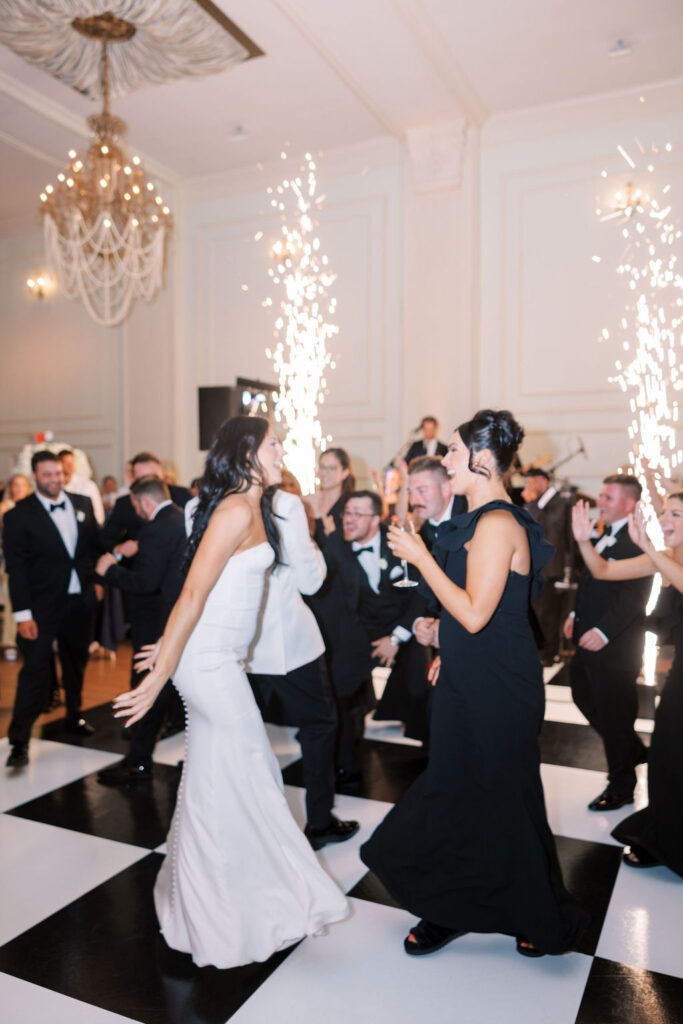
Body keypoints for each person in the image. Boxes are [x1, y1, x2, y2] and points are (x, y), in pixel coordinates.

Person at [112, 417, 348, 968]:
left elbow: (211, 593)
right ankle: (234, 905)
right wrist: (160, 670)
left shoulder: (257, 504)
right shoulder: (236, 509)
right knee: (252, 772)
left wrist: (171, 646)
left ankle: (222, 897)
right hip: (209, 665)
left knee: (224, 774)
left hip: (220, 658)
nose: (282, 450)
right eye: (273, 444)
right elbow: (193, 589)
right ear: (247, 452)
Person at [360, 409, 587, 958]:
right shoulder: (481, 518)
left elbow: (478, 612)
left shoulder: (498, 523)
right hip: (472, 675)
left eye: (455, 451)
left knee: (504, 800)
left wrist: (418, 556)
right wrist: (442, 637)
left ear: (483, 460)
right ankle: (448, 907)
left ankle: (536, 913)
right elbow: (484, 613)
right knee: (462, 793)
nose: (446, 460)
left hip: (498, 686)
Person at [572, 497, 683, 877]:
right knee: (668, 756)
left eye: (676, 514)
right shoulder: (662, 555)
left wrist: (649, 547)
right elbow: (602, 571)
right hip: (680, 674)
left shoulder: (662, 555)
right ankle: (666, 838)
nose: (665, 518)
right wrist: (584, 541)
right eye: (664, 512)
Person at [246, 485, 359, 849]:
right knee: (319, 727)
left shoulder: (215, 501)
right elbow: (311, 582)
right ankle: (320, 821)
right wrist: (307, 538)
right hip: (289, 645)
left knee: (243, 735)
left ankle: (251, 822)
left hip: (241, 644)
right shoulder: (285, 507)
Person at [4, 451, 100, 767]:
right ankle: (19, 741)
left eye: (57, 473)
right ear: (35, 476)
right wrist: (22, 615)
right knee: (34, 672)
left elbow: (94, 547)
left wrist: (98, 581)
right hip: (40, 608)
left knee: (76, 664)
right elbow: (16, 570)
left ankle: (74, 715)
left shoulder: (82, 504)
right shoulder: (18, 515)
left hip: (79, 601)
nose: (54, 479)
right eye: (47, 474)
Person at [321, 490, 426, 779]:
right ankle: (345, 764)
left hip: (402, 627)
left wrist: (396, 638)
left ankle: (433, 764)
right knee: (339, 684)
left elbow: (420, 595)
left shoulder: (398, 542)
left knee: (424, 685)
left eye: (357, 514)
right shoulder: (335, 546)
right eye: (347, 513)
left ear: (376, 518)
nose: (349, 519)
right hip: (361, 632)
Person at [565, 475, 651, 812]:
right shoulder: (600, 534)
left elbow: (634, 598)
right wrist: (574, 611)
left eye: (609, 497)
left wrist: (603, 632)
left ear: (630, 504)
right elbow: (590, 581)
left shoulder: (635, 541)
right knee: (581, 692)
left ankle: (621, 786)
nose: (601, 501)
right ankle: (632, 749)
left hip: (616, 648)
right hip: (587, 638)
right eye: (601, 495)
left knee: (616, 717)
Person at [95, 476, 187, 786]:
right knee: (170, 690)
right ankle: (142, 757)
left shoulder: (156, 529)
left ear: (145, 502)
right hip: (180, 620)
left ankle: (138, 761)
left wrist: (110, 571)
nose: (136, 511)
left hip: (160, 624)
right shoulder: (182, 517)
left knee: (149, 689)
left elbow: (146, 583)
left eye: (135, 505)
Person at [522, 469, 571, 664]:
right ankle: (537, 649)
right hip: (534, 566)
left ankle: (548, 653)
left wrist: (532, 503)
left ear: (542, 481)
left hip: (550, 567)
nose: (527, 488)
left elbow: (545, 532)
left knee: (547, 613)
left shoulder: (557, 502)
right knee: (536, 611)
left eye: (530, 482)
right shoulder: (539, 503)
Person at [1, 473, 32, 660]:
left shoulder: (35, 508)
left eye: (23, 485)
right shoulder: (5, 508)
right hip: (11, 561)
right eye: (16, 485)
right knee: (14, 601)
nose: (19, 489)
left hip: (33, 563)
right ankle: (10, 643)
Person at [59, 449, 106, 526]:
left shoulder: (88, 485)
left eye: (72, 462)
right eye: (66, 462)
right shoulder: (54, 487)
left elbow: (99, 514)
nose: (70, 466)